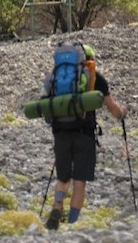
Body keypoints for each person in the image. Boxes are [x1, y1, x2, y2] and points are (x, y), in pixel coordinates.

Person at [44, 44, 124, 229]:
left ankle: (57, 206)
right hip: (84, 135)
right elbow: (113, 108)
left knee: (63, 178)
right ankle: (72, 223)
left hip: (61, 133)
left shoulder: (54, 77)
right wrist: (122, 114)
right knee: (79, 182)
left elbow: (46, 105)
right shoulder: (94, 77)